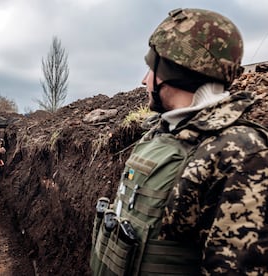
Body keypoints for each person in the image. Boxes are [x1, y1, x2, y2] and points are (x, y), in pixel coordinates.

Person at [90, 8, 268, 275]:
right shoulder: (164, 131)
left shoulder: (242, 153)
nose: (144, 80)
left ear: (177, 70)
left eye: (152, 68)